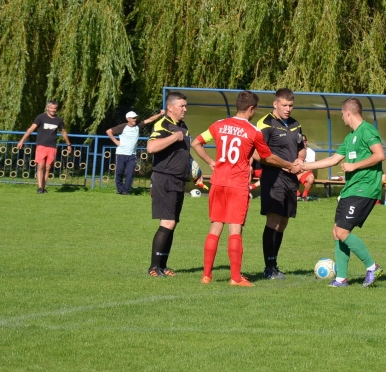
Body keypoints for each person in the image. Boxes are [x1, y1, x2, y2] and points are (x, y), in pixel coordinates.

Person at [191, 90, 298, 287]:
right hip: (237, 184)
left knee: (215, 227)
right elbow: (266, 157)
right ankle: (235, 277)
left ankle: (206, 275)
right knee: (235, 230)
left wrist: (211, 162)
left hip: (218, 182)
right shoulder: (252, 131)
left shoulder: (219, 125)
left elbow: (196, 142)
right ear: (251, 109)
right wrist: (289, 165)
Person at [302, 98, 384, 288]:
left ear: (348, 113)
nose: (342, 118)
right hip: (351, 189)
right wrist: (304, 166)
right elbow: (333, 160)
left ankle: (372, 267)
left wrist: (354, 165)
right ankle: (341, 279)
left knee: (342, 231)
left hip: (364, 189)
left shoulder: (367, 130)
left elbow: (379, 155)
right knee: (336, 231)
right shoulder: (350, 137)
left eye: (341, 114)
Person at [255, 88, 306, 280]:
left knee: (283, 221)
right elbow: (260, 154)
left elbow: (301, 148)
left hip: (291, 179)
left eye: (291, 105)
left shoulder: (295, 124)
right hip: (273, 178)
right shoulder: (265, 124)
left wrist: (300, 161)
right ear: (275, 104)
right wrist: (286, 165)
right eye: (284, 105)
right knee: (274, 220)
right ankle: (269, 267)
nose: (288, 109)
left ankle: (274, 264)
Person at [144, 93, 193, 277]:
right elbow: (151, 147)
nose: (185, 109)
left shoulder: (182, 126)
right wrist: (174, 137)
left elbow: (182, 151)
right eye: (182, 106)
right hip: (165, 178)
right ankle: (153, 267)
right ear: (170, 107)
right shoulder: (163, 124)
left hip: (178, 179)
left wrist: (192, 168)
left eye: (185, 106)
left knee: (172, 223)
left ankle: (163, 266)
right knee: (168, 222)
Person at [17, 101, 72, 194]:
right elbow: (31, 129)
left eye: (55, 108)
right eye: (51, 108)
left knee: (47, 167)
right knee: (41, 166)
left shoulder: (58, 120)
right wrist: (22, 140)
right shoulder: (41, 117)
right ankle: (39, 187)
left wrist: (69, 144)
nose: (53, 110)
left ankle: (43, 187)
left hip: (52, 146)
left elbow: (63, 132)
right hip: (41, 145)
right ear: (47, 108)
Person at [105, 109, 165, 195]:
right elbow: (109, 131)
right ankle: (120, 189)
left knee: (130, 173)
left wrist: (160, 114)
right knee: (119, 172)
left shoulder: (137, 126)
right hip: (121, 154)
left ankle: (126, 190)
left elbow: (150, 119)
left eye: (135, 118)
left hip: (132, 155)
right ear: (128, 119)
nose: (135, 119)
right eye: (133, 118)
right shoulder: (123, 127)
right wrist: (116, 141)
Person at [297, 134, 316, 201]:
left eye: (304, 141)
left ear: (306, 142)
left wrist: (301, 174)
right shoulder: (295, 151)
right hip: (296, 171)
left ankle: (304, 196)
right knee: (287, 177)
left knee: (311, 179)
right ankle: (297, 194)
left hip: (306, 172)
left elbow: (311, 167)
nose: (303, 143)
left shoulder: (311, 152)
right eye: (301, 141)